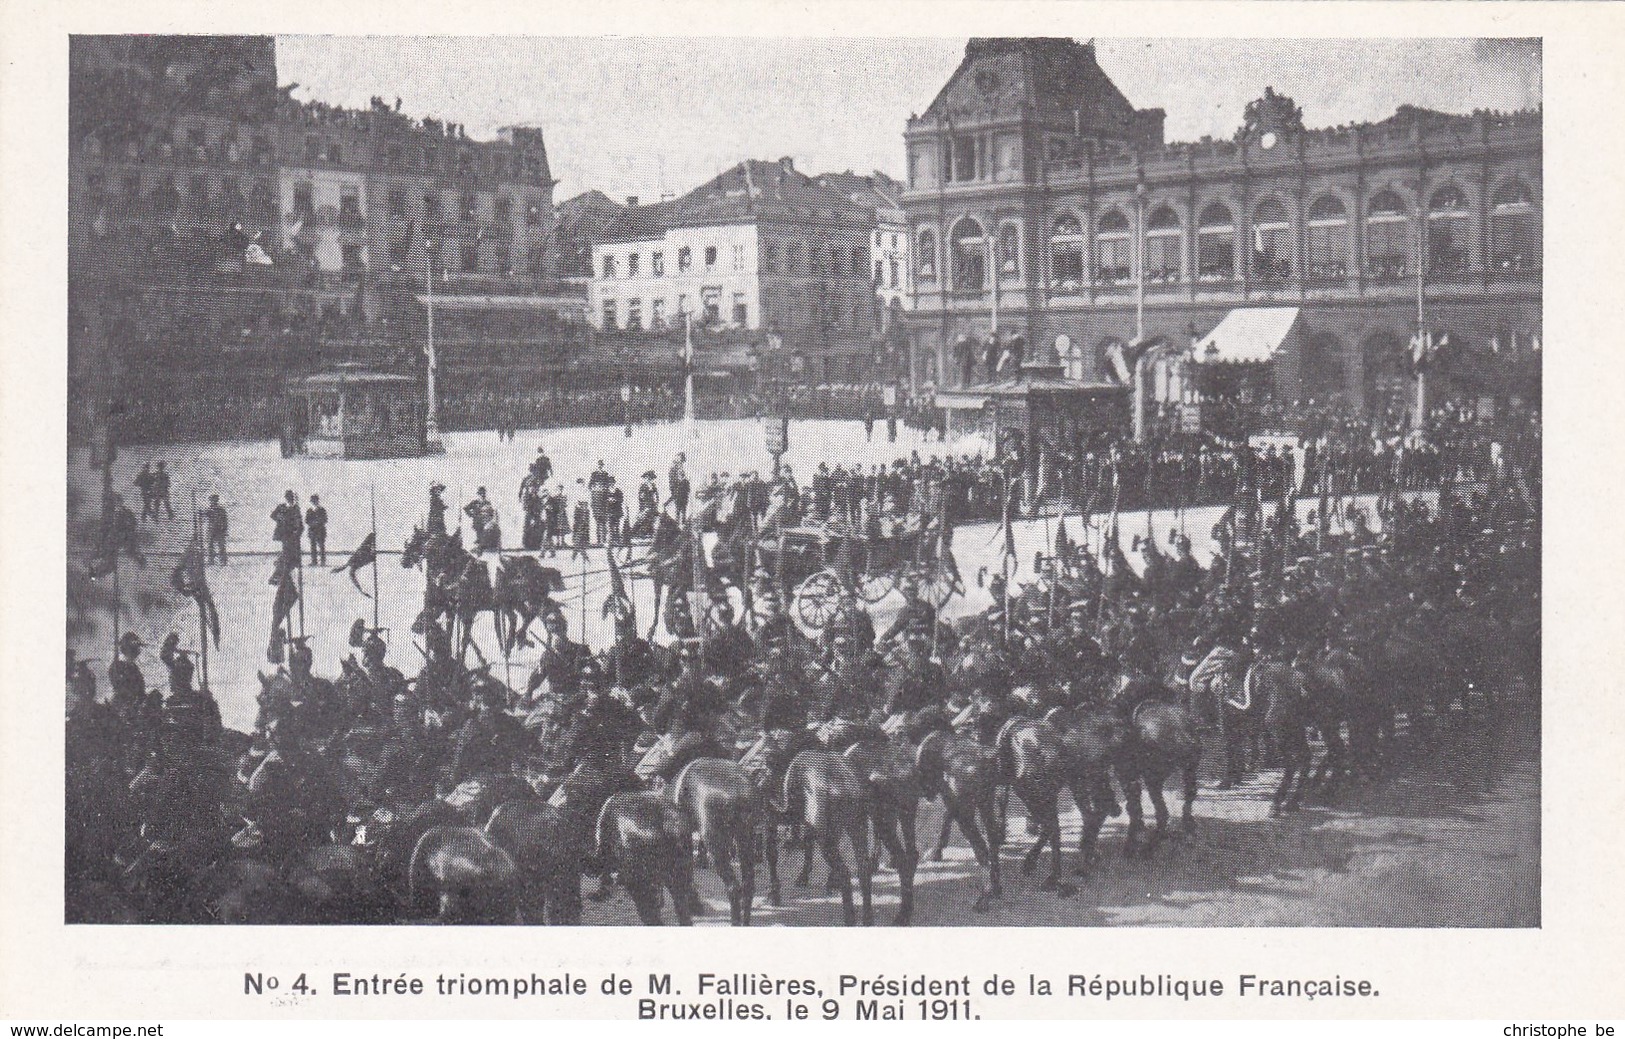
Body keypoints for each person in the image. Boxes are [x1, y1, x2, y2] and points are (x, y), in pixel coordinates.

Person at [270, 490, 303, 573]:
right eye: (288, 497)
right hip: (284, 532)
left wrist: (298, 531)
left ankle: (288, 562)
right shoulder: (281, 507)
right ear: (286, 498)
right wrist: (280, 519)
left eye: (291, 498)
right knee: (286, 548)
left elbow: (299, 521)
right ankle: (282, 563)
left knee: (291, 549)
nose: (290, 499)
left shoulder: (295, 508)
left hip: (292, 532)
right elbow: (273, 515)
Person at [204, 494, 229, 565]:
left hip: (220, 530)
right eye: (211, 500)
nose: (213, 502)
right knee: (210, 547)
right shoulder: (209, 510)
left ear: (217, 501)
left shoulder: (221, 510)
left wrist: (225, 530)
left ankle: (223, 561)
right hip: (211, 530)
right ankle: (211, 561)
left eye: (214, 500)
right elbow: (203, 515)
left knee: (221, 547)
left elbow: (225, 521)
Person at [305, 494, 328, 566]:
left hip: (320, 531)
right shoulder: (309, 510)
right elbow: (306, 520)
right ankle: (314, 561)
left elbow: (325, 519)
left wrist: (318, 522)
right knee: (313, 546)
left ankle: (323, 561)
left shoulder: (321, 510)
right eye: (313, 501)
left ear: (318, 501)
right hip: (312, 531)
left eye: (315, 500)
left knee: (321, 546)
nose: (314, 502)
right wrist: (312, 523)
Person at [668, 452, 690, 521]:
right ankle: (677, 522)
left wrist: (686, 482)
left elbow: (685, 481)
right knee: (677, 508)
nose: (681, 463)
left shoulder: (682, 469)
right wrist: (673, 490)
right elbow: (672, 481)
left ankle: (683, 521)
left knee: (684, 508)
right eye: (680, 460)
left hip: (684, 492)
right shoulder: (673, 468)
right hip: (677, 491)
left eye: (682, 461)